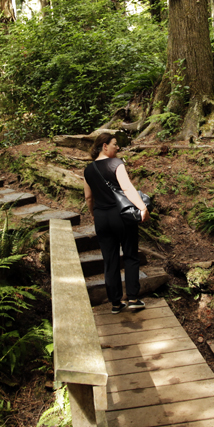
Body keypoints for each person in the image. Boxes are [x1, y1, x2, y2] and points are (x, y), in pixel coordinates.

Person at [83, 133, 149, 314]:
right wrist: (142, 207)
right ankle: (133, 298)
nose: (117, 147)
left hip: (101, 217)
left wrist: (94, 214)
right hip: (121, 215)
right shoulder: (116, 164)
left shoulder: (88, 170)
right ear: (104, 146)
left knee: (110, 259)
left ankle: (115, 303)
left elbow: (88, 197)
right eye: (115, 144)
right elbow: (127, 187)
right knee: (130, 255)